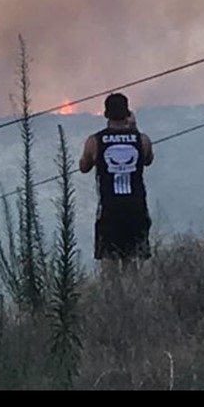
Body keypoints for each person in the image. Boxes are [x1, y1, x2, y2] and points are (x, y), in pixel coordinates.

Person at [79, 93, 154, 276]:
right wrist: (134, 130)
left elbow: (84, 167)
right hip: (136, 208)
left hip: (109, 209)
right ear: (128, 112)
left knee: (109, 262)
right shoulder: (142, 140)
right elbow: (148, 159)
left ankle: (111, 302)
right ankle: (132, 301)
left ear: (106, 114)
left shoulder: (94, 141)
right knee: (133, 261)